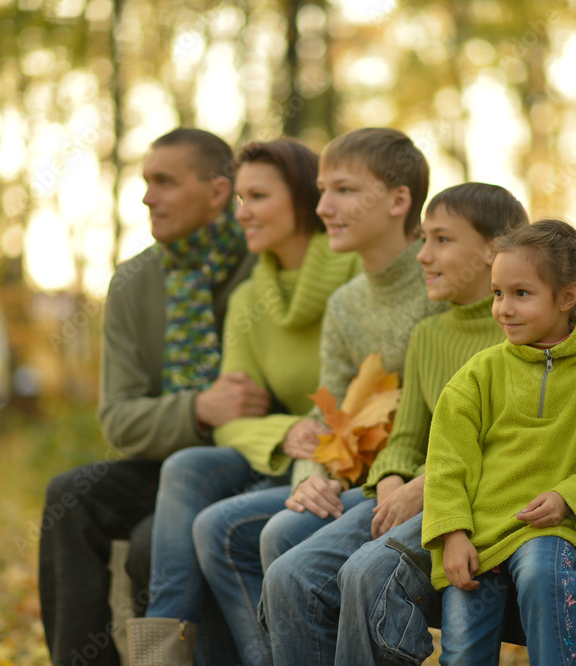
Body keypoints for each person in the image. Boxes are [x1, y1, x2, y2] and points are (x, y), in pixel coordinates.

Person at [191, 127, 445, 665]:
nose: (324, 205)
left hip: (421, 484)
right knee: (222, 525)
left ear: (399, 200)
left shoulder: (444, 283)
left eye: (344, 191)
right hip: (358, 477)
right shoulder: (347, 302)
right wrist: (313, 478)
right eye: (323, 190)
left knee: (282, 535)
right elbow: (331, 409)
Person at [259, 182, 529, 665]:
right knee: (289, 575)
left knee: (366, 573)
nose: (423, 255)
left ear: (495, 249)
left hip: (469, 503)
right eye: (423, 239)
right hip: (406, 494)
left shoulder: (521, 335)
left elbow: (511, 450)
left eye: (442, 240)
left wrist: (421, 488)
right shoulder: (427, 335)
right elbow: (404, 438)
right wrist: (389, 483)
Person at [38, 128, 268, 666]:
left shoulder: (264, 261)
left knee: (148, 545)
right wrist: (198, 409)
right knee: (68, 498)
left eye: (164, 182)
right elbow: (119, 419)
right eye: (145, 182)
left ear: (217, 191)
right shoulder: (134, 281)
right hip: (166, 465)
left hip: (253, 464)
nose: (146, 197)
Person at [127, 137, 360, 665]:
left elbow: (356, 389)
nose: (243, 212)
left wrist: (306, 428)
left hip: (345, 461)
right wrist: (284, 432)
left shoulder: (352, 273)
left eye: (257, 196)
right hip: (286, 455)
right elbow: (229, 416)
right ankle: (159, 657)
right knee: (188, 464)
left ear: (303, 202)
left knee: (214, 526)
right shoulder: (251, 296)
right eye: (240, 199)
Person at [422, 219, 576, 664]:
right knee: (465, 642)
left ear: (566, 297)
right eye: (497, 293)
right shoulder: (479, 374)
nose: (504, 308)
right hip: (483, 536)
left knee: (541, 572)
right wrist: (453, 534)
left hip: (558, 529)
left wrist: (570, 497)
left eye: (521, 294)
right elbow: (448, 459)